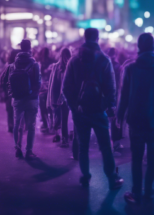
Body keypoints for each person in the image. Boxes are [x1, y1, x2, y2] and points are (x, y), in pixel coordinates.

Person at [117, 33, 154, 204]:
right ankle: (148, 190)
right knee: (152, 157)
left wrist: (120, 115)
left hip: (135, 119)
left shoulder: (131, 69)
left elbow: (124, 95)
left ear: (139, 47)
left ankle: (136, 192)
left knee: (136, 158)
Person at [62, 28, 123, 189]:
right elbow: (111, 87)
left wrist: (74, 107)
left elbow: (66, 87)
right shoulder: (104, 59)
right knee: (105, 146)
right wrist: (110, 106)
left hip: (80, 111)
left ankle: (85, 176)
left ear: (84, 37)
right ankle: (111, 176)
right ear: (97, 38)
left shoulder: (74, 60)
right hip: (98, 110)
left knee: (83, 146)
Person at [0, 40, 41, 160]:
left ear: (20, 48)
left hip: (17, 99)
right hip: (32, 98)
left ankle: (18, 148)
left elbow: (5, 81)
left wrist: (11, 93)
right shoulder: (34, 65)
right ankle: (29, 151)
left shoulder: (12, 65)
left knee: (17, 124)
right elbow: (38, 82)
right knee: (31, 125)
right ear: (30, 48)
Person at [47, 48, 71, 147]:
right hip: (58, 96)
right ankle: (58, 135)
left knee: (63, 117)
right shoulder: (57, 67)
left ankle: (63, 137)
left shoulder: (70, 66)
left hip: (65, 97)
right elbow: (52, 84)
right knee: (57, 116)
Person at [107, 48, 123, 154]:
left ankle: (109, 143)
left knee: (108, 119)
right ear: (116, 54)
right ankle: (116, 144)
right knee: (116, 120)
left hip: (106, 94)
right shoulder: (119, 67)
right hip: (116, 94)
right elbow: (121, 83)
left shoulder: (105, 64)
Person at [1, 49, 20, 132]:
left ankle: (11, 125)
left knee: (10, 110)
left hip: (9, 92)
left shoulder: (8, 66)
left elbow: (2, 80)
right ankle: (18, 125)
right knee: (18, 110)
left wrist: (4, 90)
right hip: (19, 92)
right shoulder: (21, 65)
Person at [38, 47, 55, 133]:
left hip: (42, 88)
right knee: (50, 108)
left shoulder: (40, 63)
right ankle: (51, 124)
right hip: (50, 87)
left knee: (43, 108)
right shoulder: (52, 62)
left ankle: (45, 124)